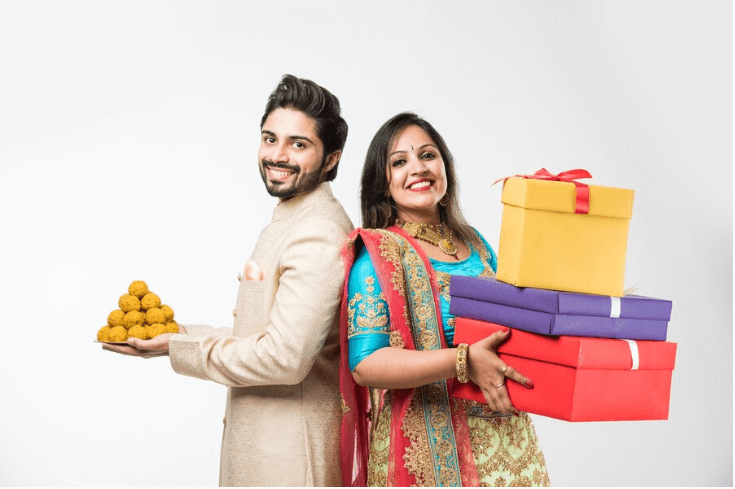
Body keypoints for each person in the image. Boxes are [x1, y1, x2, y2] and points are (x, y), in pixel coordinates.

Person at [104, 74, 354, 486]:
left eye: (299, 144)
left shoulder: (318, 231)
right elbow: (263, 334)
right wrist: (179, 333)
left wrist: (179, 347)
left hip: (289, 463)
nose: (278, 155)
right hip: (267, 452)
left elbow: (284, 358)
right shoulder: (294, 217)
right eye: (270, 138)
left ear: (330, 159)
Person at [339, 112, 550, 487]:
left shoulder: (477, 243)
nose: (417, 168)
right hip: (429, 448)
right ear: (382, 183)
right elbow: (366, 363)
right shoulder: (380, 254)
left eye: (427, 155)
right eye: (399, 162)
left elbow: (510, 324)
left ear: (445, 166)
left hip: (507, 440)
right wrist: (462, 361)